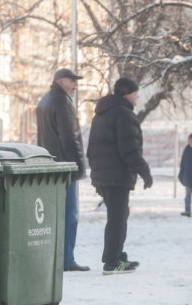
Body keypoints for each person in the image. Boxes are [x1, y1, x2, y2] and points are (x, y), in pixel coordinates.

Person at [86, 77, 153, 275]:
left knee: (118, 215)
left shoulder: (101, 114)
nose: (137, 98)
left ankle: (116, 255)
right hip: (116, 176)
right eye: (135, 94)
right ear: (127, 94)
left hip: (103, 175)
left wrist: (96, 174)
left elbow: (92, 148)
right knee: (117, 218)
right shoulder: (123, 114)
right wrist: (145, 171)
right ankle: (112, 261)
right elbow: (129, 150)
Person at [36, 68, 89, 272]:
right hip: (65, 166)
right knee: (69, 215)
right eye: (73, 81)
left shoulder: (45, 101)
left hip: (49, 165)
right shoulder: (62, 102)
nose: (76, 85)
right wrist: (77, 167)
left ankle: (56, 258)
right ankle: (67, 259)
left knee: (54, 215)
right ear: (61, 81)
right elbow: (70, 137)